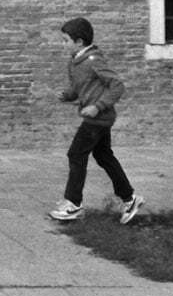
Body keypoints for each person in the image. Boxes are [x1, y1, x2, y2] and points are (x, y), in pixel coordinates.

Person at [49, 17, 144, 224]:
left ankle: (73, 204)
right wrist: (67, 95)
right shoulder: (75, 61)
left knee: (76, 154)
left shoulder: (94, 61)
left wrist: (97, 106)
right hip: (96, 119)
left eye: (65, 40)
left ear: (80, 41)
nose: (62, 44)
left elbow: (117, 86)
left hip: (98, 119)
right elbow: (80, 87)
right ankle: (130, 198)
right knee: (103, 155)